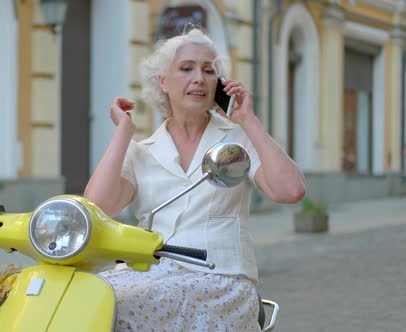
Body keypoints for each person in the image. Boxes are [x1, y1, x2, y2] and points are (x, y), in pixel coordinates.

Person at [84, 28, 305, 331]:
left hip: (221, 280)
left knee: (125, 305)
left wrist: (249, 121)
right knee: (84, 296)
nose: (199, 78)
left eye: (208, 70)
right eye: (186, 68)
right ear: (163, 81)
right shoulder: (144, 151)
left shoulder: (238, 139)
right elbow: (96, 207)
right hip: (148, 273)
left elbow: (290, 190)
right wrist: (123, 133)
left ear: (219, 84)